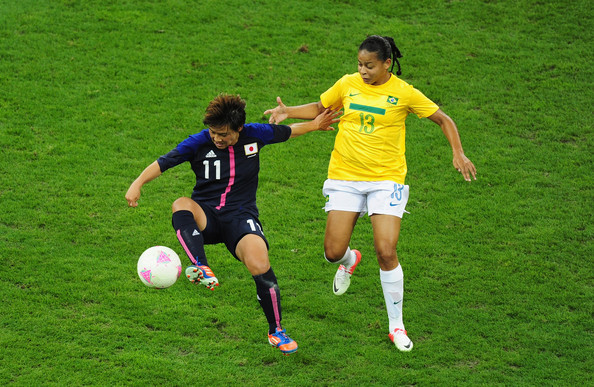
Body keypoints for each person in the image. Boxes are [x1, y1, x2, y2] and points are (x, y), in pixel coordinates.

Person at [264, 35, 477, 352]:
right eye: (360, 64)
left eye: (369, 65)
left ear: (387, 64)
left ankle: (396, 326)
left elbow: (442, 118)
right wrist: (289, 111)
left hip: (386, 181)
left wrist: (458, 153)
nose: (363, 71)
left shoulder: (404, 93)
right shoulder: (347, 84)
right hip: (345, 177)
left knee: (386, 250)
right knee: (332, 252)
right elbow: (322, 107)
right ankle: (350, 260)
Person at [126, 94, 339, 355]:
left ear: (239, 129)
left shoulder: (255, 134)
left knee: (260, 263)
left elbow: (288, 131)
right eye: (213, 133)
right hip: (206, 216)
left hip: (240, 217)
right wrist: (137, 184)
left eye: (223, 134)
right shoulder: (199, 142)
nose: (217, 138)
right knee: (181, 203)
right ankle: (200, 265)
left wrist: (315, 125)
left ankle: (276, 331)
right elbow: (164, 162)